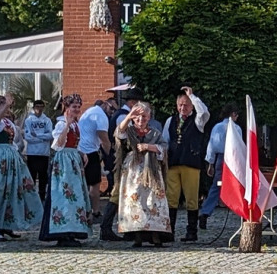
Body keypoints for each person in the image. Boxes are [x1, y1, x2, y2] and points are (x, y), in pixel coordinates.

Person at [0, 94, 43, 241]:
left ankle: (8, 224)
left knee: (13, 190)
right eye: (3, 105)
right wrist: (5, 106)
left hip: (11, 156)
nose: (7, 108)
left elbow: (15, 141)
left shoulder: (10, 124)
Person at [115, 101, 172, 248]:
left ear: (149, 117)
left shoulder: (154, 133)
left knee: (153, 200)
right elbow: (119, 133)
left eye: (144, 117)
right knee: (135, 201)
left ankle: (156, 235)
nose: (141, 120)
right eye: (137, 117)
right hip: (133, 172)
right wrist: (128, 117)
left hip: (151, 172)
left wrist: (149, 147)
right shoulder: (129, 131)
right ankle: (137, 235)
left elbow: (164, 148)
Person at [39, 94, 92, 247]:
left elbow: (73, 143)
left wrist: (81, 152)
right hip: (63, 163)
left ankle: (72, 231)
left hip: (73, 160)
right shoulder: (61, 124)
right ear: (67, 108)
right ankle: (62, 232)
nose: (76, 110)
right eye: (73, 107)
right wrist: (67, 125)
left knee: (75, 197)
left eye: (78, 107)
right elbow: (57, 145)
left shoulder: (75, 124)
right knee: (63, 196)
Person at [162, 86, 210, 242]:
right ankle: (170, 230)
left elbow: (204, 112)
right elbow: (165, 141)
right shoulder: (170, 120)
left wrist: (193, 97)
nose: (183, 108)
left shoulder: (197, 120)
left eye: (186, 105)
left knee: (191, 198)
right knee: (171, 197)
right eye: (180, 105)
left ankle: (192, 231)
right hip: (173, 163)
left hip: (191, 163)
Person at [198, 103, 238, 229]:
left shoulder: (217, 127)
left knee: (216, 187)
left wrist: (210, 163)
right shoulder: (237, 129)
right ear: (233, 114)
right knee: (238, 185)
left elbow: (212, 146)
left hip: (220, 158)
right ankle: (242, 212)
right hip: (232, 159)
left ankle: (205, 212)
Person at [78, 99, 111, 221]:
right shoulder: (101, 115)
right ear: (104, 105)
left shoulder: (88, 112)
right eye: (111, 108)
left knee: (83, 183)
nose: (111, 112)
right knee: (95, 185)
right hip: (90, 152)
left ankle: (83, 210)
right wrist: (110, 156)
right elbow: (104, 138)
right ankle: (95, 212)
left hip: (80, 150)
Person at [23, 99, 54, 198]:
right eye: (37, 107)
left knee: (43, 175)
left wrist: (36, 135)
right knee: (32, 175)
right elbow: (28, 137)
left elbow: (50, 135)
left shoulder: (47, 120)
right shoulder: (29, 120)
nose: (39, 109)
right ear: (33, 108)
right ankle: (31, 196)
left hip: (44, 153)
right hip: (32, 152)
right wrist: (42, 138)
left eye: (41, 107)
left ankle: (41, 195)